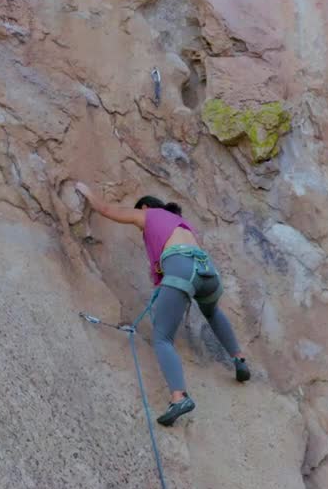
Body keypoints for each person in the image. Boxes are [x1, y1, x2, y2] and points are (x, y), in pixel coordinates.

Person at [75, 182, 250, 426]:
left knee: (162, 337)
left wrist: (86, 191)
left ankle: (179, 397)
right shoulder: (180, 224)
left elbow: (105, 209)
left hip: (181, 268)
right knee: (211, 312)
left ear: (145, 206)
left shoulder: (147, 214)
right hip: (207, 271)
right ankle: (239, 359)